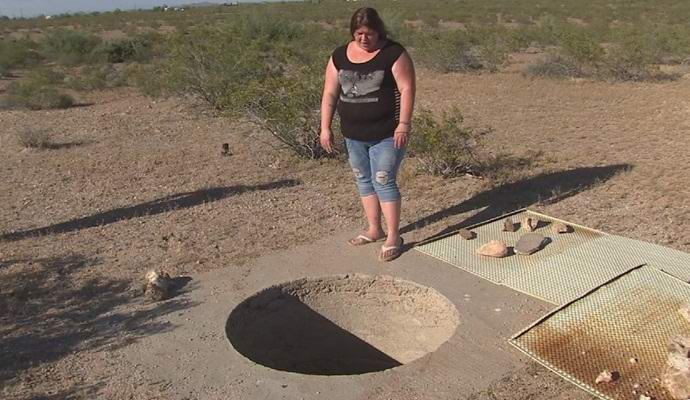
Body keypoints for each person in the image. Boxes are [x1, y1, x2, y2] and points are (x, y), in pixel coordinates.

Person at [320, 7, 416, 262]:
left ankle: (394, 236)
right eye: (359, 33)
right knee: (363, 179)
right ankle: (375, 229)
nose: (364, 38)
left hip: (387, 133)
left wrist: (403, 124)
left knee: (383, 180)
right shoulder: (339, 55)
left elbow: (407, 88)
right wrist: (325, 127)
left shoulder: (393, 53)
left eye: (369, 33)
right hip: (353, 134)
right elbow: (330, 93)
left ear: (379, 31)